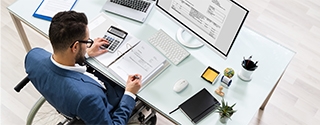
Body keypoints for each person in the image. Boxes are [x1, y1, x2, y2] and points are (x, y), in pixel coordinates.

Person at [25, 11, 142, 124]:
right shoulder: (88, 98)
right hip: (108, 100)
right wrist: (130, 94)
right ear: (75, 47)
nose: (88, 45)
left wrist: (84, 54)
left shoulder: (33, 56)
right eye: (87, 42)